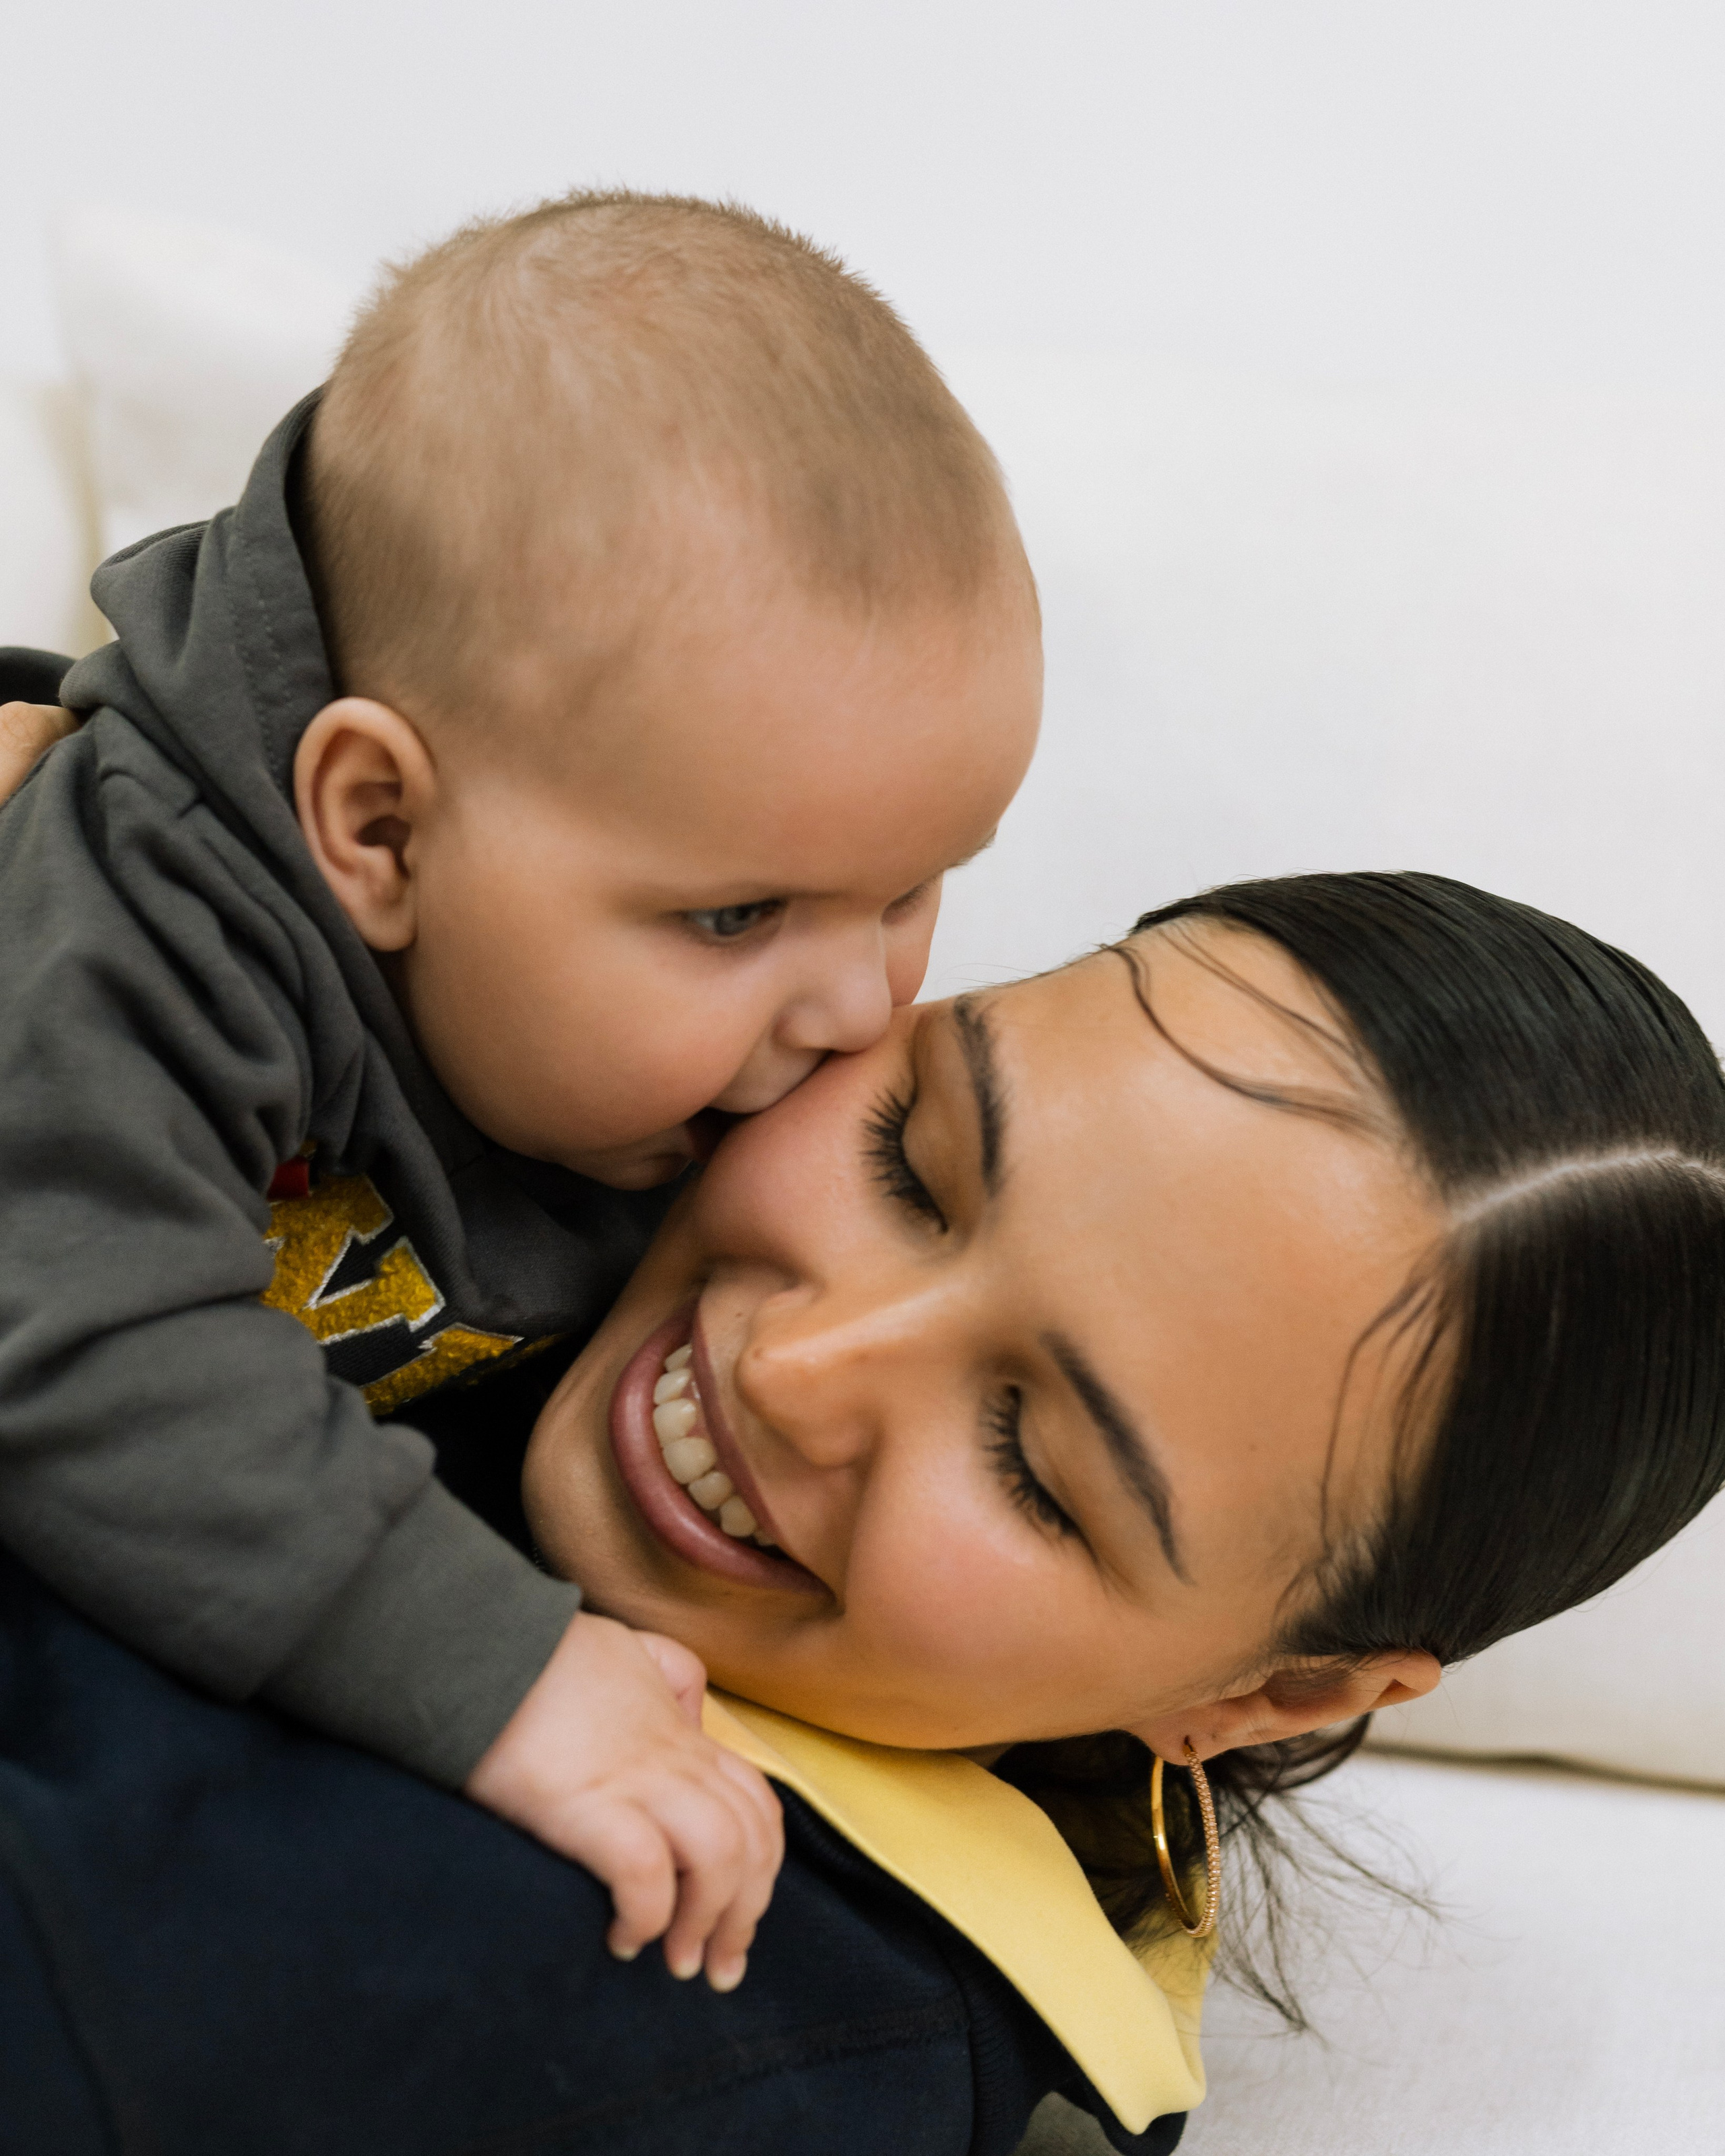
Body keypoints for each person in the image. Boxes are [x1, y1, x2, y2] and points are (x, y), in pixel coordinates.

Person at [3, 868, 1721, 2156]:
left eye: (1037, 1466)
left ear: (1267, 1694)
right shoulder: (561, 1100)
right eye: (913, 1154)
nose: (798, 1367)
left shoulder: (674, 1993)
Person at [0, 191, 1041, 1992]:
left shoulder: (661, 1052)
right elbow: (81, 1325)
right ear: (380, 826)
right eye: (737, 912)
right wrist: (486, 1669)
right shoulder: (144, 916)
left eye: (912, 888)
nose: (859, 1001)